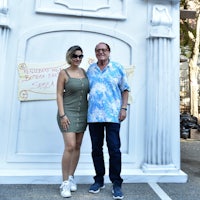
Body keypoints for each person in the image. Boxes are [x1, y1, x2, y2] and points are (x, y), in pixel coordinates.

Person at [87, 42, 130, 200]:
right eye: (98, 50)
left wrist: (123, 108)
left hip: (113, 116)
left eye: (104, 50)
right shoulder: (90, 69)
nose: (101, 52)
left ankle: (116, 184)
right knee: (96, 150)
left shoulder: (117, 68)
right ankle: (99, 180)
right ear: (95, 53)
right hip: (93, 117)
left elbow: (125, 89)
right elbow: (84, 89)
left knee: (114, 150)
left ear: (109, 52)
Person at [56, 45, 89, 198]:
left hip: (82, 113)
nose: (78, 59)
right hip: (67, 113)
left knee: (77, 146)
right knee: (69, 146)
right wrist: (63, 115)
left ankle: (71, 177)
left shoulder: (84, 72)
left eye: (80, 56)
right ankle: (64, 183)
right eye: (75, 56)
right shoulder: (64, 73)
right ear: (69, 57)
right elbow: (59, 95)